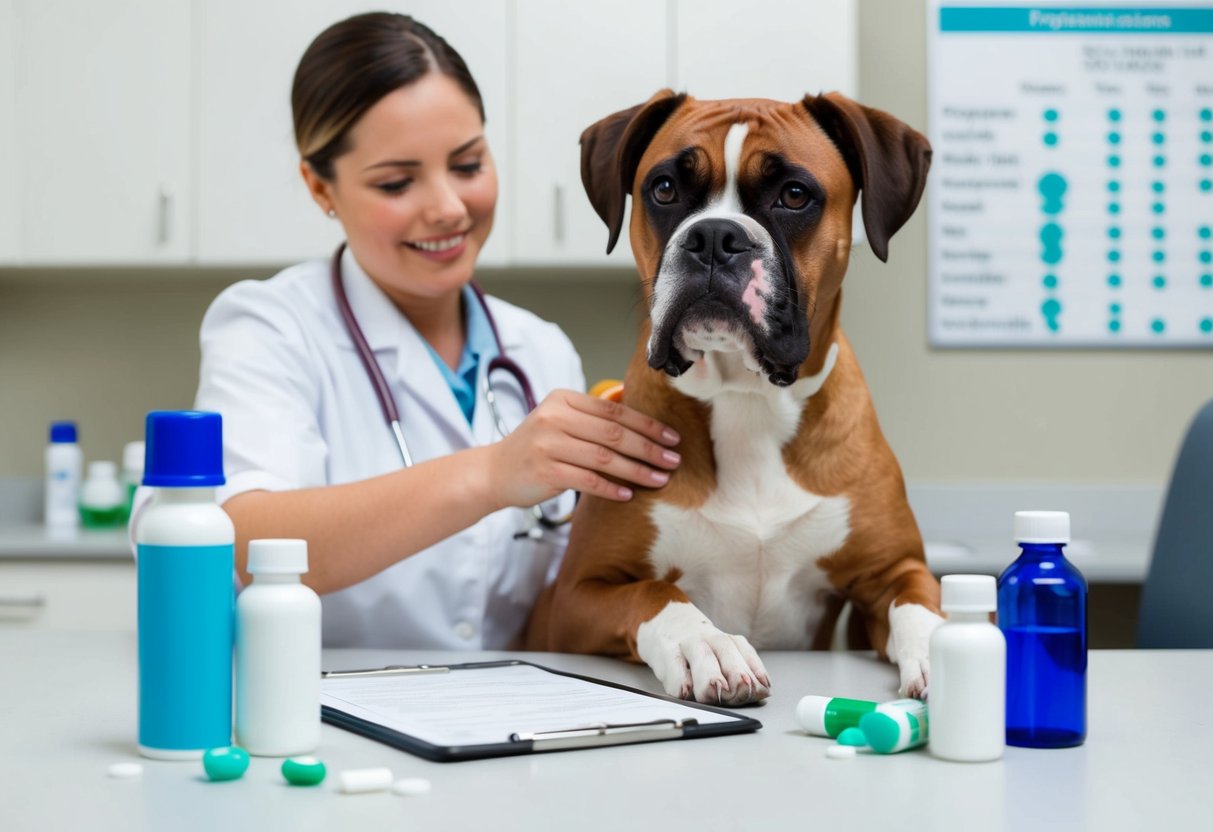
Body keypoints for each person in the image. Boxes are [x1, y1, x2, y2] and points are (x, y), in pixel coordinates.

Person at [194, 13, 680, 649]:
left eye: (468, 164)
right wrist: (489, 474)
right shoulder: (269, 327)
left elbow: (553, 603)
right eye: (397, 181)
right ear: (321, 187)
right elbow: (244, 538)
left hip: (503, 727)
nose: (448, 207)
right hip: (324, 721)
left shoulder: (538, 351)